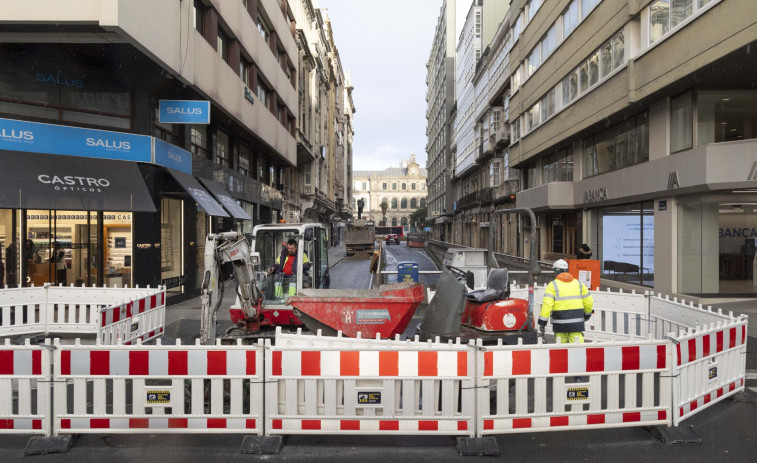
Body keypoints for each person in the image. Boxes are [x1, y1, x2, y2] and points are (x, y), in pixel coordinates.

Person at [538, 259, 593, 345]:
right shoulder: (579, 283)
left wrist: (542, 322)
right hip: (576, 323)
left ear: (556, 271)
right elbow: (588, 301)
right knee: (577, 348)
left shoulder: (552, 285)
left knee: (561, 349)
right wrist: (587, 314)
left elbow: (547, 305)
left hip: (560, 323)